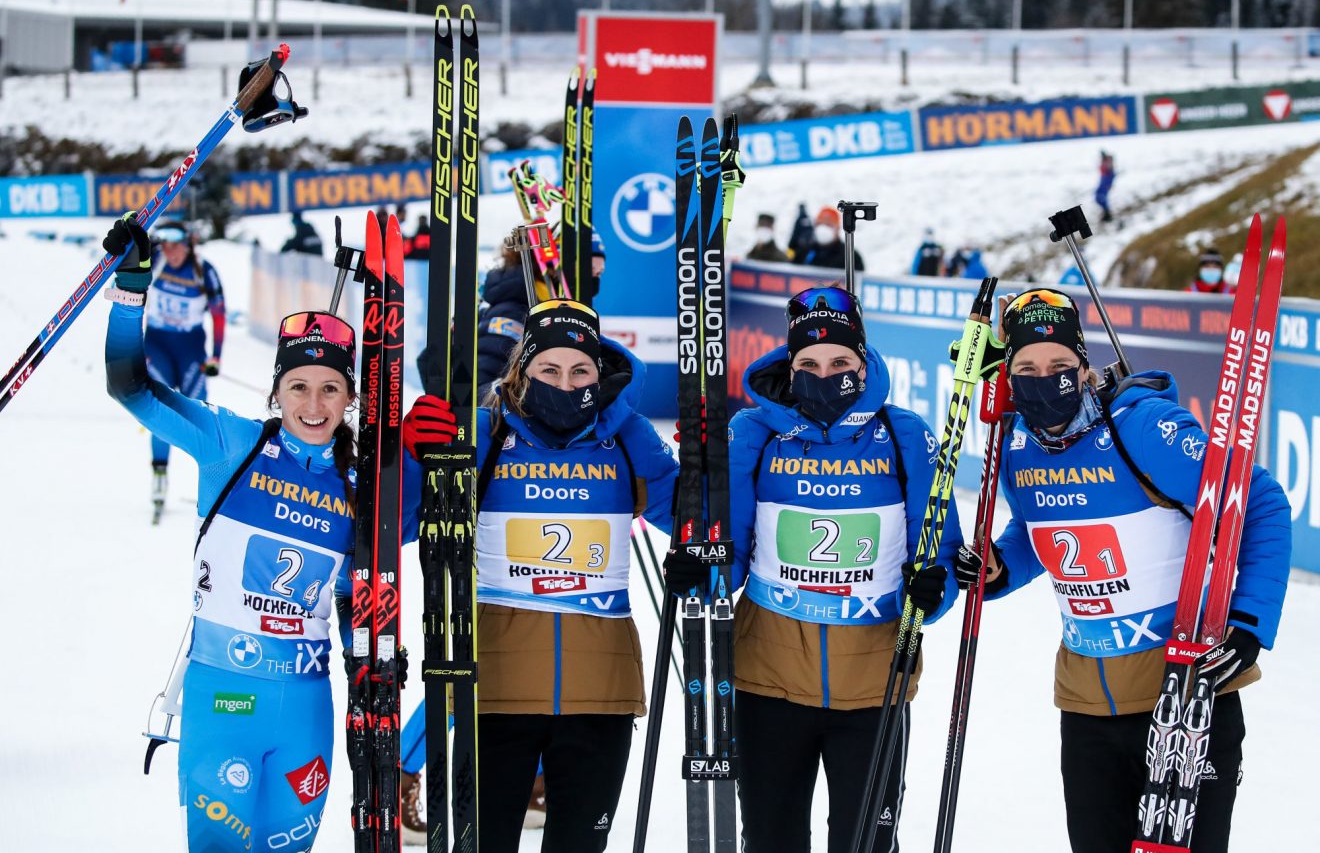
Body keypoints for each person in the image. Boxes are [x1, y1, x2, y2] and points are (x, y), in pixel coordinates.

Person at [101, 212, 424, 852]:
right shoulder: (231, 443)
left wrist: (430, 441)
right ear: (276, 391)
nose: (313, 404)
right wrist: (132, 285)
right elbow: (129, 385)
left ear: (351, 399)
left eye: (331, 389)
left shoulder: (365, 484)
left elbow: (441, 516)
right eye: (298, 387)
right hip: (223, 696)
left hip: (307, 707)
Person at [955, 288, 1290, 853]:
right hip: (1087, 708)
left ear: (1085, 369)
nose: (1045, 378)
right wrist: (999, 568)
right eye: (1027, 369)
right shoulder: (1016, 448)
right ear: (1009, 378)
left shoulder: (1140, 430)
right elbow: (1038, 532)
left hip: (1184, 696)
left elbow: (1258, 502)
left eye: (1060, 365)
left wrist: (1250, 620)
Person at [676, 287, 958, 852]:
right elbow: (725, 552)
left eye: (840, 363)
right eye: (808, 363)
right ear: (789, 363)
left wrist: (935, 588)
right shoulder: (755, 431)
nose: (823, 374)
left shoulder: (905, 435)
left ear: (863, 360)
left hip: (876, 684)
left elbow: (942, 550)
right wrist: (698, 562)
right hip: (766, 683)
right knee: (771, 841)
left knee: (866, 844)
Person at [399, 299, 679, 852]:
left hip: (600, 694)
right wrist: (410, 458)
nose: (565, 382)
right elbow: (404, 525)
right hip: (495, 691)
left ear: (600, 374)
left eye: (581, 371)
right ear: (522, 371)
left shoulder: (626, 438)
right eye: (548, 369)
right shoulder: (486, 433)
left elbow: (696, 520)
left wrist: (709, 472)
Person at [143, 219, 226, 519]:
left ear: (188, 244)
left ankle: (215, 483)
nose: (171, 250)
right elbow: (125, 278)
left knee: (199, 416)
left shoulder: (204, 270)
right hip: (157, 348)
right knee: (161, 413)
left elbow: (219, 314)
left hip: (190, 351)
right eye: (165, 244)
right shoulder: (157, 261)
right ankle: (159, 476)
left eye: (176, 244)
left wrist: (216, 356)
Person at [1096, 151, 1116, 223]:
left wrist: (1109, 184)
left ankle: (1107, 215)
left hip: (1105, 181)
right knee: (1099, 197)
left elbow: (1112, 173)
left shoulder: (1108, 164)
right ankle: (1106, 214)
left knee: (1101, 197)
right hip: (1104, 181)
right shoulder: (1105, 163)